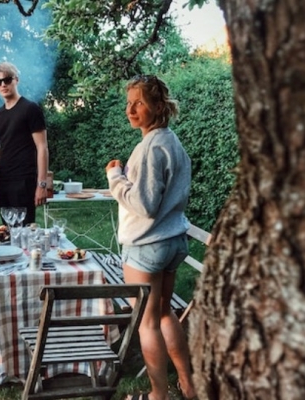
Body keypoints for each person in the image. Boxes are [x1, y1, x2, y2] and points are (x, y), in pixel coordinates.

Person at [105, 75, 197, 400]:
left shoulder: (149, 148)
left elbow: (144, 205)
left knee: (147, 324)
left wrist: (115, 178)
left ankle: (159, 394)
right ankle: (188, 385)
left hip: (146, 246)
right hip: (173, 242)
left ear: (158, 107)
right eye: (129, 103)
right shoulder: (173, 142)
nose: (130, 109)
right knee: (163, 313)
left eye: (139, 103)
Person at [0, 62, 49, 225]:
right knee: (6, 231)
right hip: (4, 179)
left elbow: (42, 147)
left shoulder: (30, 109)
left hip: (24, 180)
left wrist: (42, 184)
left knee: (24, 230)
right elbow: (5, 143)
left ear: (16, 80)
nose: (3, 84)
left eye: (7, 80)